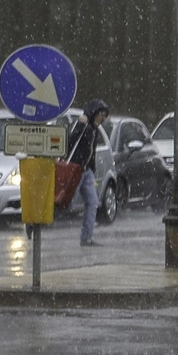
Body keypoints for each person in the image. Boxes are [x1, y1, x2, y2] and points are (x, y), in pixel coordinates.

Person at [65, 99, 109, 246]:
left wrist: (91, 167)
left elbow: (91, 151)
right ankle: (38, 223)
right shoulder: (82, 125)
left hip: (86, 171)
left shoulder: (94, 130)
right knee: (66, 202)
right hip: (75, 170)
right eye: (101, 114)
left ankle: (87, 237)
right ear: (94, 113)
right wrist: (80, 126)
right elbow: (69, 142)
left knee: (92, 202)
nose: (102, 118)